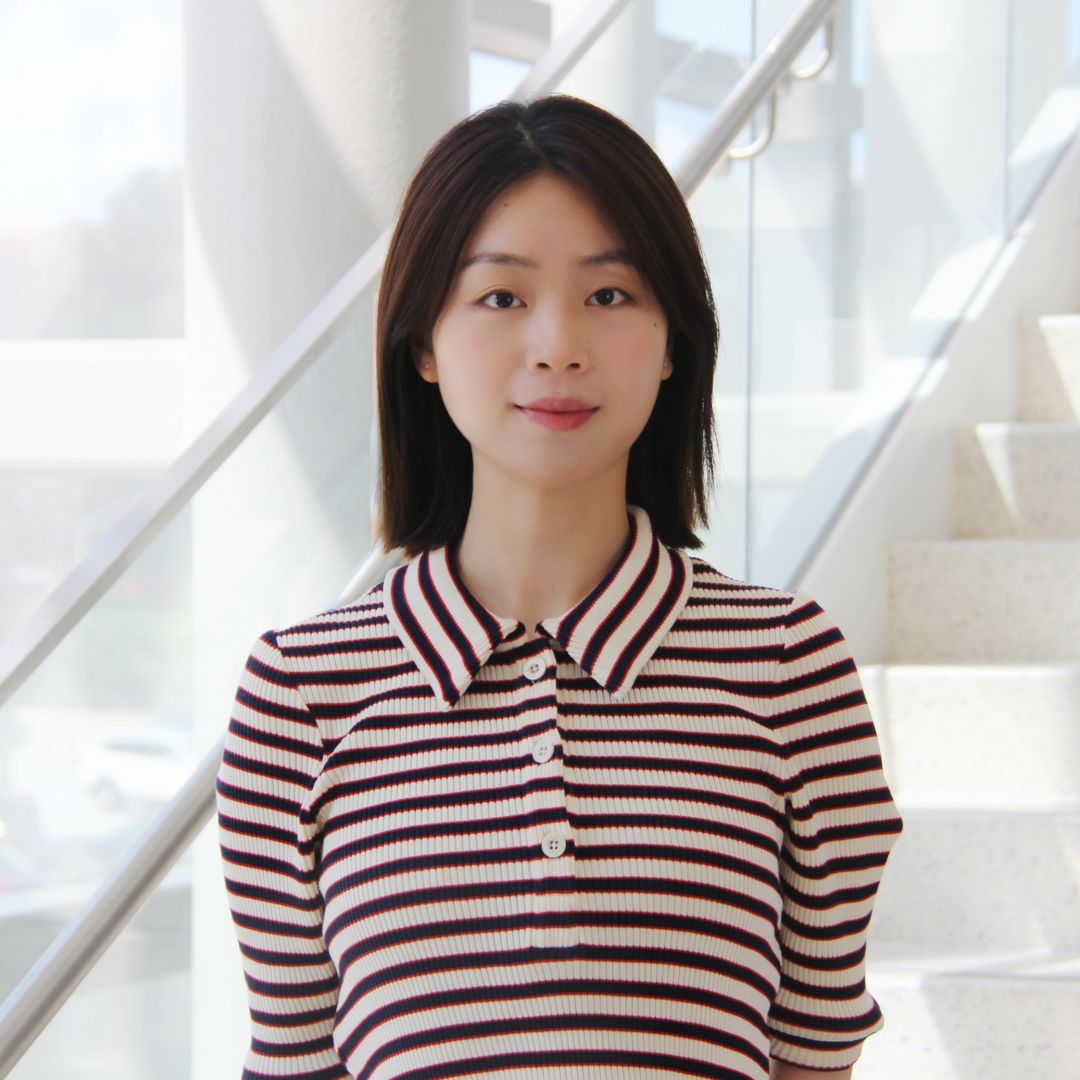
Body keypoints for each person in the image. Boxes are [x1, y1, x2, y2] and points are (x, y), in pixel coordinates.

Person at [216, 95, 902, 1080]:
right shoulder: (302, 691)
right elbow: (294, 1060)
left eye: (610, 295)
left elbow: (815, 1059)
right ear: (422, 343)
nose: (557, 346)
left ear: (673, 344)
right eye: (501, 297)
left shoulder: (788, 667)